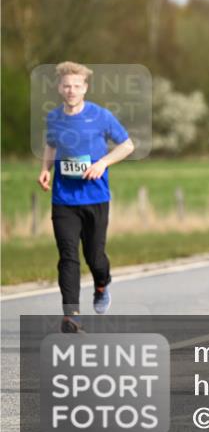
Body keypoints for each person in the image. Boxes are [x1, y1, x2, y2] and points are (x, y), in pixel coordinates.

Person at [38, 62, 135, 333]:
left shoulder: (101, 116)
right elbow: (51, 144)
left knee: (95, 257)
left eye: (76, 86)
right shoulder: (54, 117)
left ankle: (102, 284)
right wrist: (45, 169)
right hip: (64, 199)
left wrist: (103, 163)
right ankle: (72, 315)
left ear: (85, 88)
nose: (71, 90)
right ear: (59, 88)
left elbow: (127, 145)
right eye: (66, 86)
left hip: (95, 198)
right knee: (68, 255)